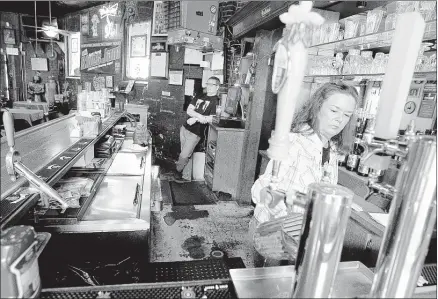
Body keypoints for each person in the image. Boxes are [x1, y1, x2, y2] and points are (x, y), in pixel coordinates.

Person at [248, 82, 359, 267]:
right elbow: (259, 190)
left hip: (300, 237)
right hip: (274, 237)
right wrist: (275, 198)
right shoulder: (295, 143)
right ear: (317, 108)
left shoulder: (330, 149)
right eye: (334, 111)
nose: (340, 120)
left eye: (347, 115)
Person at [174, 76, 221, 183]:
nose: (208, 86)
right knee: (185, 153)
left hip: (196, 132)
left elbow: (212, 118)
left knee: (184, 155)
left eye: (211, 84)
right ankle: (186, 176)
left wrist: (195, 119)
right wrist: (199, 117)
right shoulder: (200, 95)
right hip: (185, 127)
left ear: (217, 87)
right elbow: (189, 110)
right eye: (207, 84)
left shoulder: (216, 102)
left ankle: (177, 171)